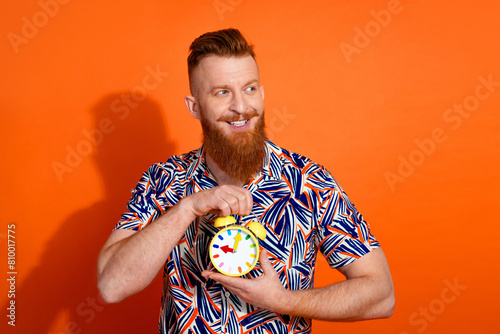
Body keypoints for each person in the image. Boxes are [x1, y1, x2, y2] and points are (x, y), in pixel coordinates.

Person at [97, 28, 395, 334]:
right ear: (194, 106)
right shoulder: (163, 179)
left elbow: (381, 295)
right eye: (222, 92)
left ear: (262, 94)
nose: (241, 107)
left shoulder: (309, 181)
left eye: (250, 89)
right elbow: (111, 286)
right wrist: (188, 208)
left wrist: (283, 300)